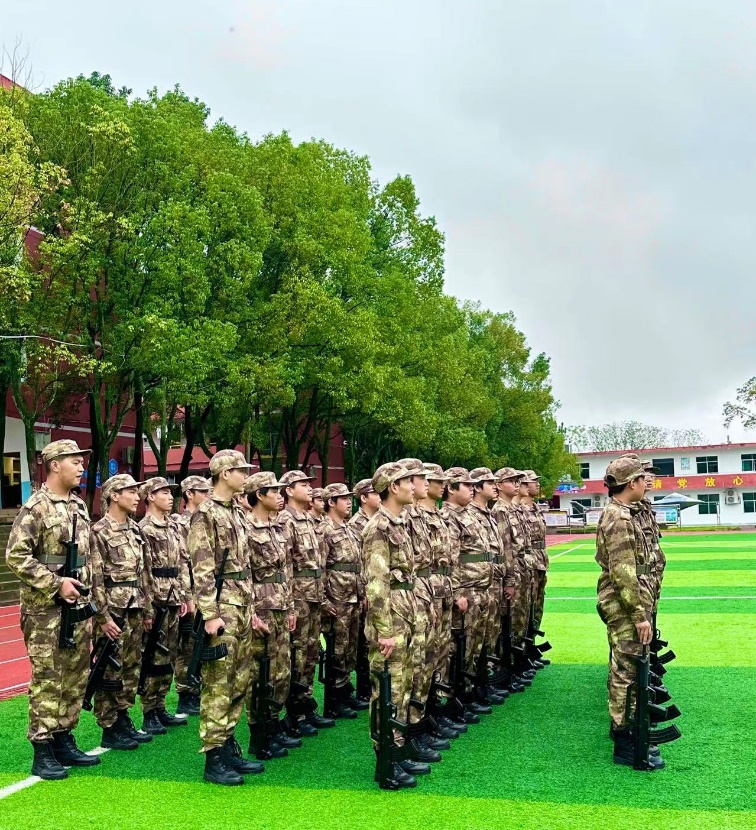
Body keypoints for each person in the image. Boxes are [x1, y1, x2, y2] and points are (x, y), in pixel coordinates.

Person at [6, 440, 100, 779]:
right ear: (55, 464)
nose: (80, 466)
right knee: (49, 677)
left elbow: (90, 558)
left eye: (81, 460)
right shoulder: (36, 507)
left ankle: (63, 737)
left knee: (75, 673)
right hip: (45, 611)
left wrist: (93, 600)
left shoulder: (78, 505)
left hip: (78, 607)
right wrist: (55, 583)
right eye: (74, 461)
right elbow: (16, 556)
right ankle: (42, 749)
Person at [188, 449, 267, 785]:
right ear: (223, 474)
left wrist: (253, 610)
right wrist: (209, 614)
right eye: (240, 470)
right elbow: (202, 567)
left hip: (242, 606)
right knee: (218, 682)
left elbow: (244, 566)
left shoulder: (235, 511)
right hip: (222, 608)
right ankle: (213, 755)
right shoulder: (205, 513)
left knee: (240, 678)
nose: (245, 475)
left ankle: (228, 745)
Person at [595, 456, 661, 768]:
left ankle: (629, 729)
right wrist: (638, 614)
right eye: (640, 479)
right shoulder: (619, 519)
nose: (644, 483)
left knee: (631, 666)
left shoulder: (623, 513)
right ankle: (624, 741)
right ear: (631, 483)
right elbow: (623, 571)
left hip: (629, 597)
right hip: (625, 603)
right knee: (624, 670)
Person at [363, 461, 426, 789]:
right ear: (391, 487)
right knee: (388, 691)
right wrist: (384, 630)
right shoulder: (379, 527)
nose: (412, 486)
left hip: (408, 613)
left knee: (404, 689)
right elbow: (376, 583)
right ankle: (384, 759)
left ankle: (398, 752)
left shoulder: (400, 522)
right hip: (392, 621)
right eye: (405, 481)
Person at [90, 474, 153, 751]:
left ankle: (123, 715)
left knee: (131, 664)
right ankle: (108, 724)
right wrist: (102, 617)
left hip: (135, 605)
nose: (137, 496)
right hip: (113, 609)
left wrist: (148, 607)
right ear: (114, 495)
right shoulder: (99, 531)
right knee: (109, 667)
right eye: (131, 491)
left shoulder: (135, 530)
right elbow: (94, 578)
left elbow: (145, 573)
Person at [241, 472, 301, 759]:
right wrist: (251, 612)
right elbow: (244, 576)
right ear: (259, 495)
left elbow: (285, 572)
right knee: (260, 672)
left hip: (279, 607)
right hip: (261, 609)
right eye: (274, 491)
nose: (280, 495)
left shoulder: (278, 528)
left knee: (282, 671)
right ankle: (258, 731)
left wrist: (290, 608)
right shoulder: (245, 529)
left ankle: (273, 723)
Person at [278, 469, 336, 736]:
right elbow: (286, 566)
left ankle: (305, 704)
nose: (310, 489)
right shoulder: (286, 521)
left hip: (313, 595)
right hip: (298, 596)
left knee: (311, 653)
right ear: (289, 490)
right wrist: (289, 603)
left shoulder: (309, 521)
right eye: (303, 485)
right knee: (298, 653)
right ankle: (294, 710)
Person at [138, 477, 191, 733]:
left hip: (173, 597)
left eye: (171, 492)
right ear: (149, 496)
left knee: (169, 654)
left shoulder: (172, 527)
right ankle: (149, 709)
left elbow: (182, 563)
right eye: (163, 492)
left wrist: (184, 595)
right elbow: (144, 571)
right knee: (153, 655)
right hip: (157, 599)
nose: (170, 497)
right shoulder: (144, 529)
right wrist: (148, 607)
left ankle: (160, 705)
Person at [441, 467, 493, 718]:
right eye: (466, 484)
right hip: (466, 591)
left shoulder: (468, 515)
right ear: (451, 488)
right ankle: (455, 699)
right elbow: (450, 560)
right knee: (459, 648)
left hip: (480, 588)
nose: (472, 488)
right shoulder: (449, 517)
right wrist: (457, 591)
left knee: (473, 647)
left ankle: (468, 692)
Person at [319, 482, 367, 718]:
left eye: (350, 498)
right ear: (331, 502)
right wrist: (324, 600)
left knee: (350, 647)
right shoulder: (324, 530)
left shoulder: (348, 528)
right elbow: (320, 568)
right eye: (343, 498)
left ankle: (345, 690)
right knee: (337, 649)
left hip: (353, 597)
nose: (349, 502)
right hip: (336, 599)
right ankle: (334, 697)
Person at [467, 467, 510, 704]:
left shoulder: (488, 514)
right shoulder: (468, 514)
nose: (495, 486)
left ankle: (484, 683)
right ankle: (471, 690)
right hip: (474, 586)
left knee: (488, 636)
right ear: (476, 486)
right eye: (489, 482)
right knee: (472, 641)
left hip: (490, 583)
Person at [173, 475, 212, 715]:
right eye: (203, 491)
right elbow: (182, 561)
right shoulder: (181, 522)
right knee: (187, 644)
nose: (208, 495)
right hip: (190, 591)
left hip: (206, 590)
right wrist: (188, 595)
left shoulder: (206, 520)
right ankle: (186, 692)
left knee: (202, 641)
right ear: (190, 494)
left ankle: (198, 686)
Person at [492, 468, 533, 686]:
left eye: (518, 481)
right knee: (508, 625)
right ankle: (505, 672)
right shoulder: (500, 510)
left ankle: (516, 666)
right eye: (511, 480)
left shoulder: (512, 509)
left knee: (520, 621)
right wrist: (509, 579)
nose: (517, 484)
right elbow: (505, 548)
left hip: (521, 568)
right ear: (498, 485)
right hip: (512, 570)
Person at [349, 478, 380, 703]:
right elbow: (359, 563)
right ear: (363, 498)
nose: (379, 496)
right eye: (374, 493)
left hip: (371, 587)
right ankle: (363, 688)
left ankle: (368, 685)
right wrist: (363, 593)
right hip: (363, 590)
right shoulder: (356, 524)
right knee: (362, 641)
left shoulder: (377, 520)